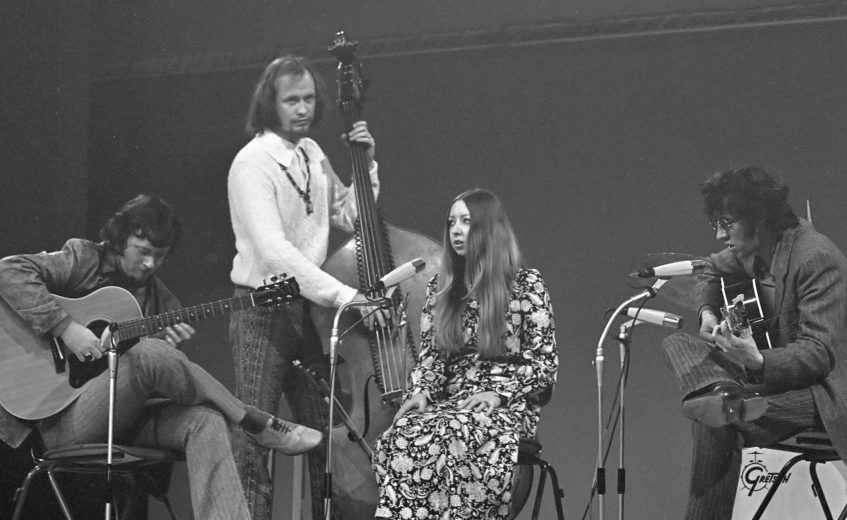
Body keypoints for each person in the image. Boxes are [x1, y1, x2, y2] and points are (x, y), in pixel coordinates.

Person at [0, 194, 321, 520]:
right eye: (142, 251)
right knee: (150, 353)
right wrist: (66, 327)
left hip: (121, 419)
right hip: (59, 420)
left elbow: (159, 384)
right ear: (120, 239)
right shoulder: (85, 259)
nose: (150, 264)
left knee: (205, 421)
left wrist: (164, 348)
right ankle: (252, 419)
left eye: (160, 255)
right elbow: (9, 270)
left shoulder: (162, 303)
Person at [659, 165, 847, 519]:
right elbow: (709, 269)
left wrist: (757, 361)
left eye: (727, 223)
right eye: (716, 224)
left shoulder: (816, 257)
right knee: (678, 342)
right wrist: (707, 312)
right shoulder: (754, 247)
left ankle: (724, 401)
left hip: (831, 397)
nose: (720, 234)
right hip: (780, 384)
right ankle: (723, 395)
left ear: (759, 219)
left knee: (717, 420)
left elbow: (818, 355)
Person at [227, 54, 381, 519]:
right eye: (291, 100)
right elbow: (275, 251)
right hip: (263, 312)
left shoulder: (312, 152)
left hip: (310, 309)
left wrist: (365, 166)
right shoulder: (252, 163)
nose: (303, 108)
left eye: (309, 99)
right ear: (270, 104)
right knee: (256, 435)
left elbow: (351, 217)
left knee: (326, 435)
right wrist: (345, 296)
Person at [372, 189, 559, 519]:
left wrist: (498, 393)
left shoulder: (526, 284)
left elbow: (545, 364)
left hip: (506, 404)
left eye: (466, 222)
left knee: (455, 431)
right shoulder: (441, 287)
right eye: (451, 223)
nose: (456, 230)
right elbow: (432, 355)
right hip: (451, 400)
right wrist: (421, 391)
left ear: (488, 228)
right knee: (401, 434)